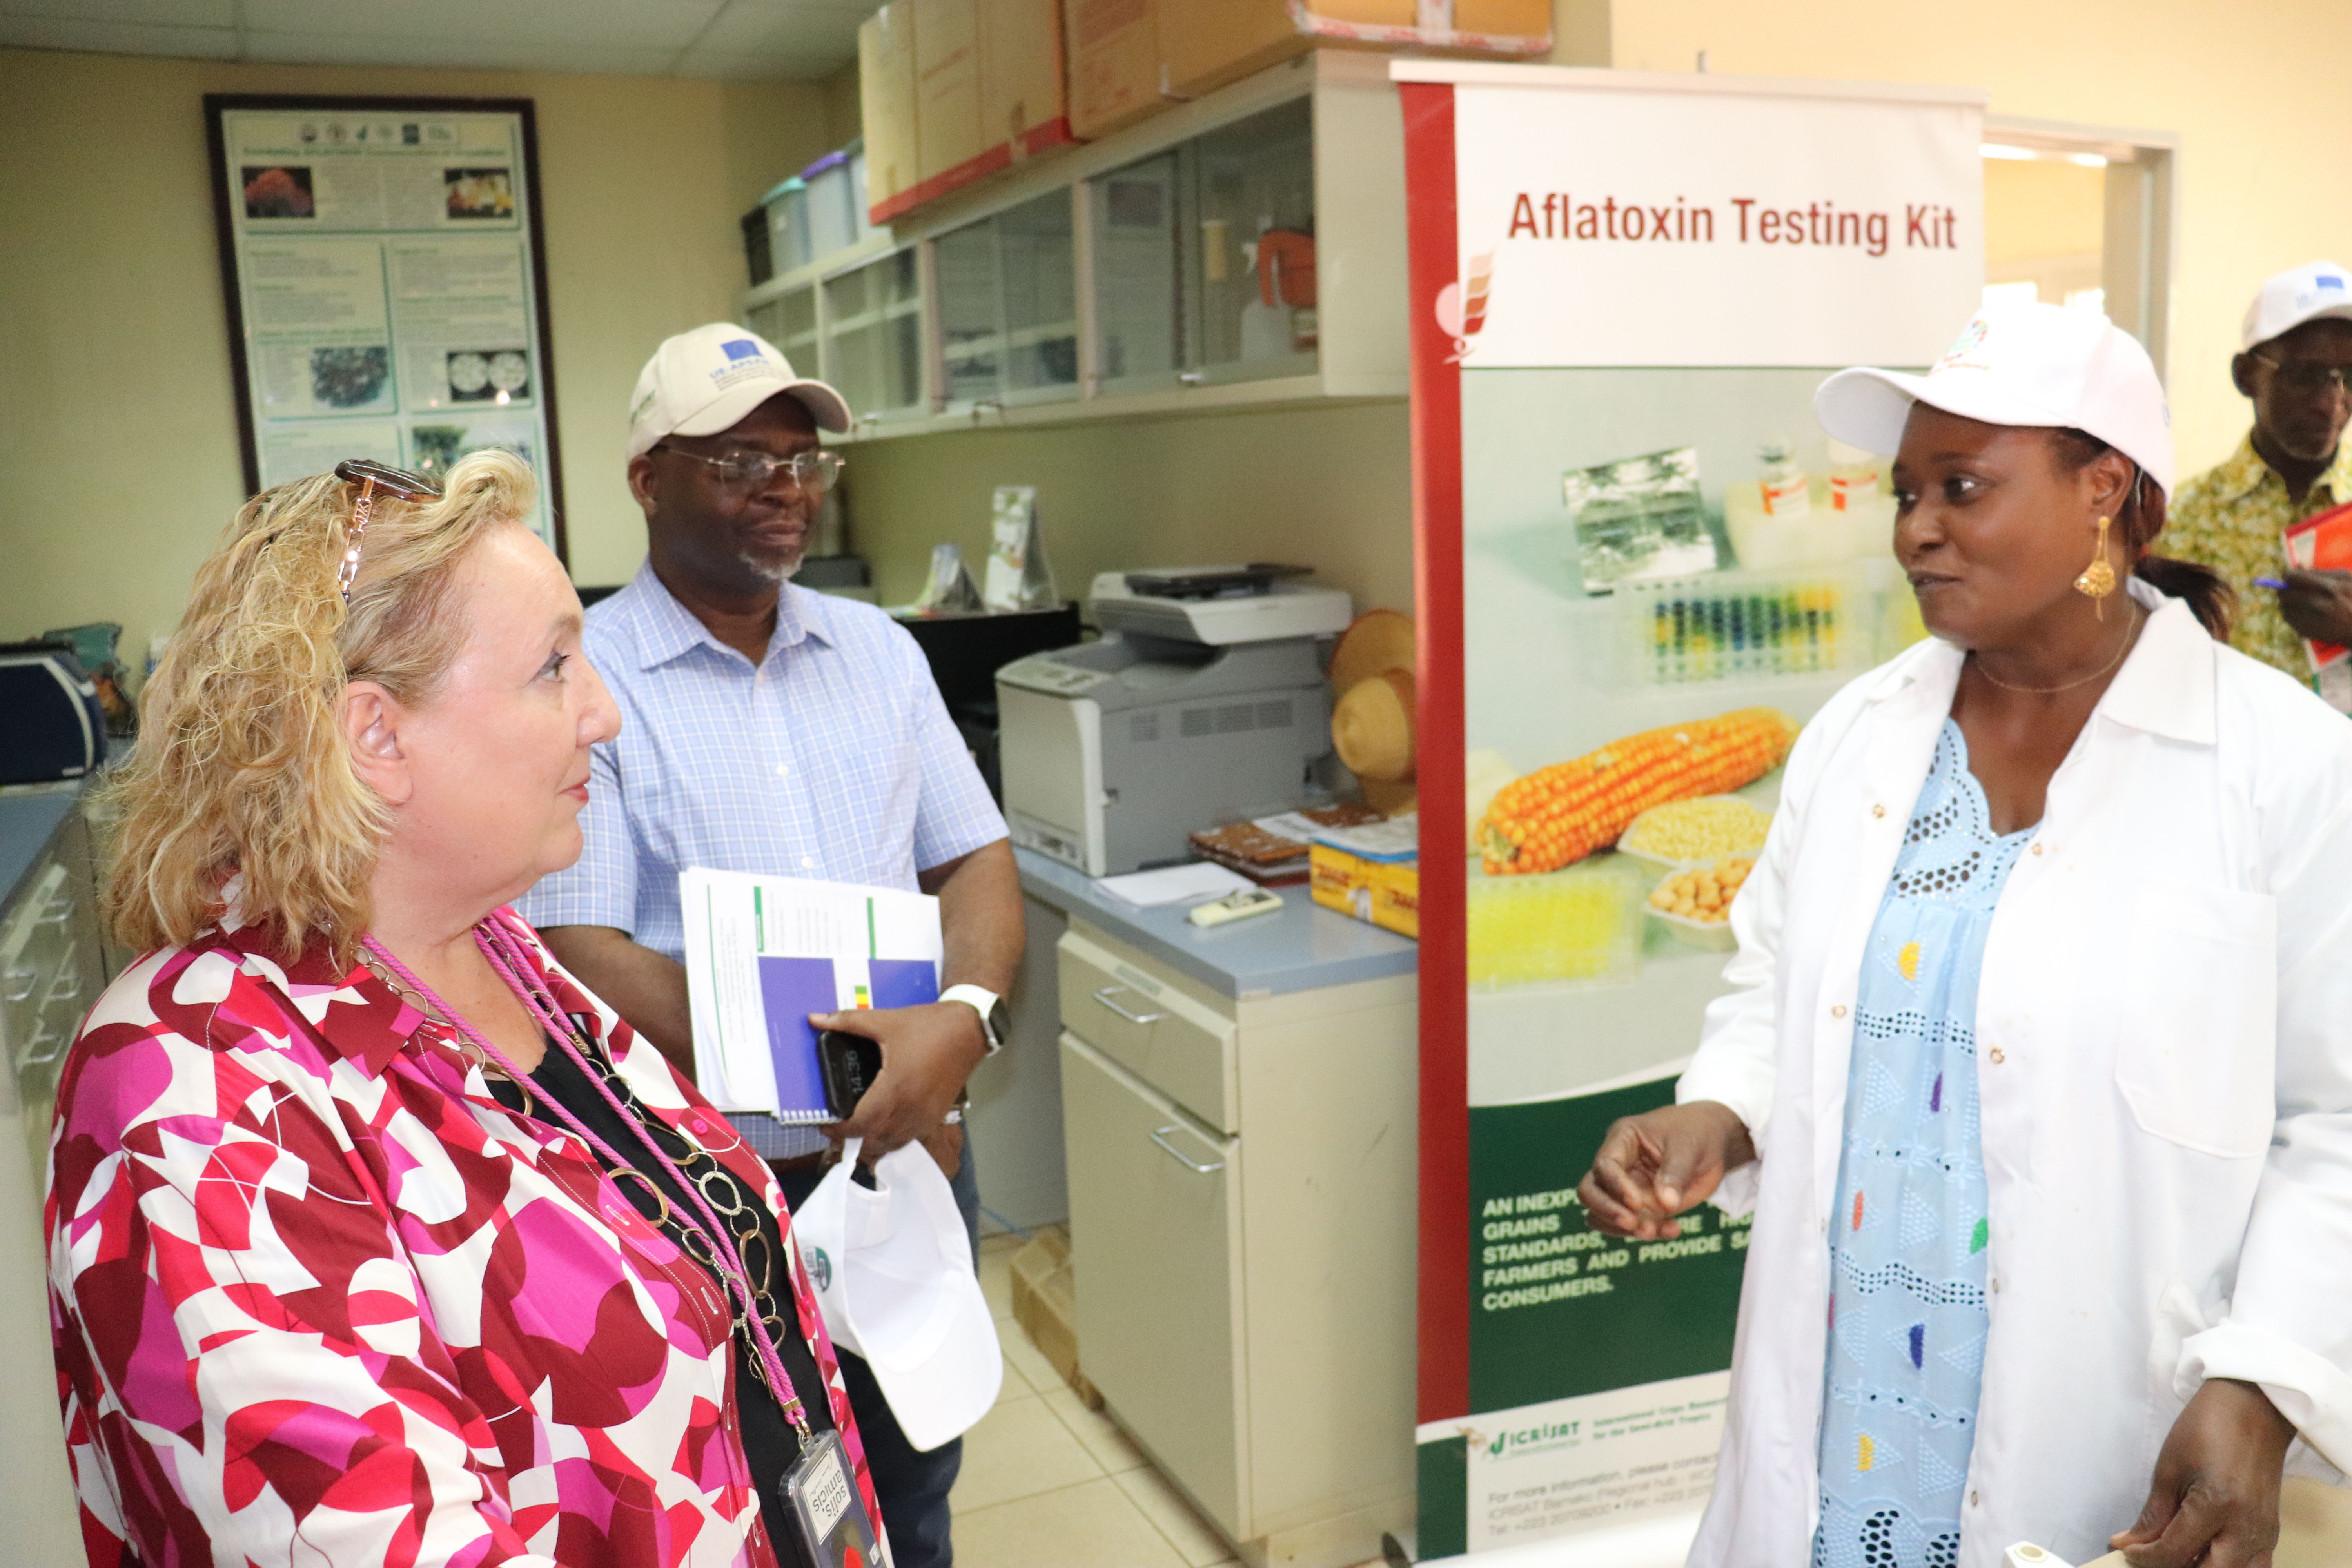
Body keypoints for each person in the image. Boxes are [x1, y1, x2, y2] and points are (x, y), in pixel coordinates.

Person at [1576, 304, 2352, 1568]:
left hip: (2108, 1421)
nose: (1912, 529)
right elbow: (1776, 980)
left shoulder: (2284, 766)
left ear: (2101, 490)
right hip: (1844, 1403)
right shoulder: (1858, 739)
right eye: (1903, 492)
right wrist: (1718, 1110)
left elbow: (2335, 1117)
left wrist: (2261, 1378)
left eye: (1960, 487)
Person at [50, 451, 886, 1568]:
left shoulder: (501, 950)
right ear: (376, 738)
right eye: (554, 667)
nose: (604, 716)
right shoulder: (192, 1091)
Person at [519, 323, 1023, 1568]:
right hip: (705, 1190)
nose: (784, 487)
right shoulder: (587, 682)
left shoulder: (880, 653)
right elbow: (577, 943)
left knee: (909, 1486)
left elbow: (974, 861)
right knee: (746, 1501)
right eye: (741, 458)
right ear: (648, 476)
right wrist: (848, 1066)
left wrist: (959, 1024)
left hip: (896, 1165)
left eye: (802, 460)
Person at [2165, 261, 2352, 699]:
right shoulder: (2179, 523)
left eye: (2351, 377)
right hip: (2221, 766)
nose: (2332, 404)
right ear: (2246, 375)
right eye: (2306, 376)